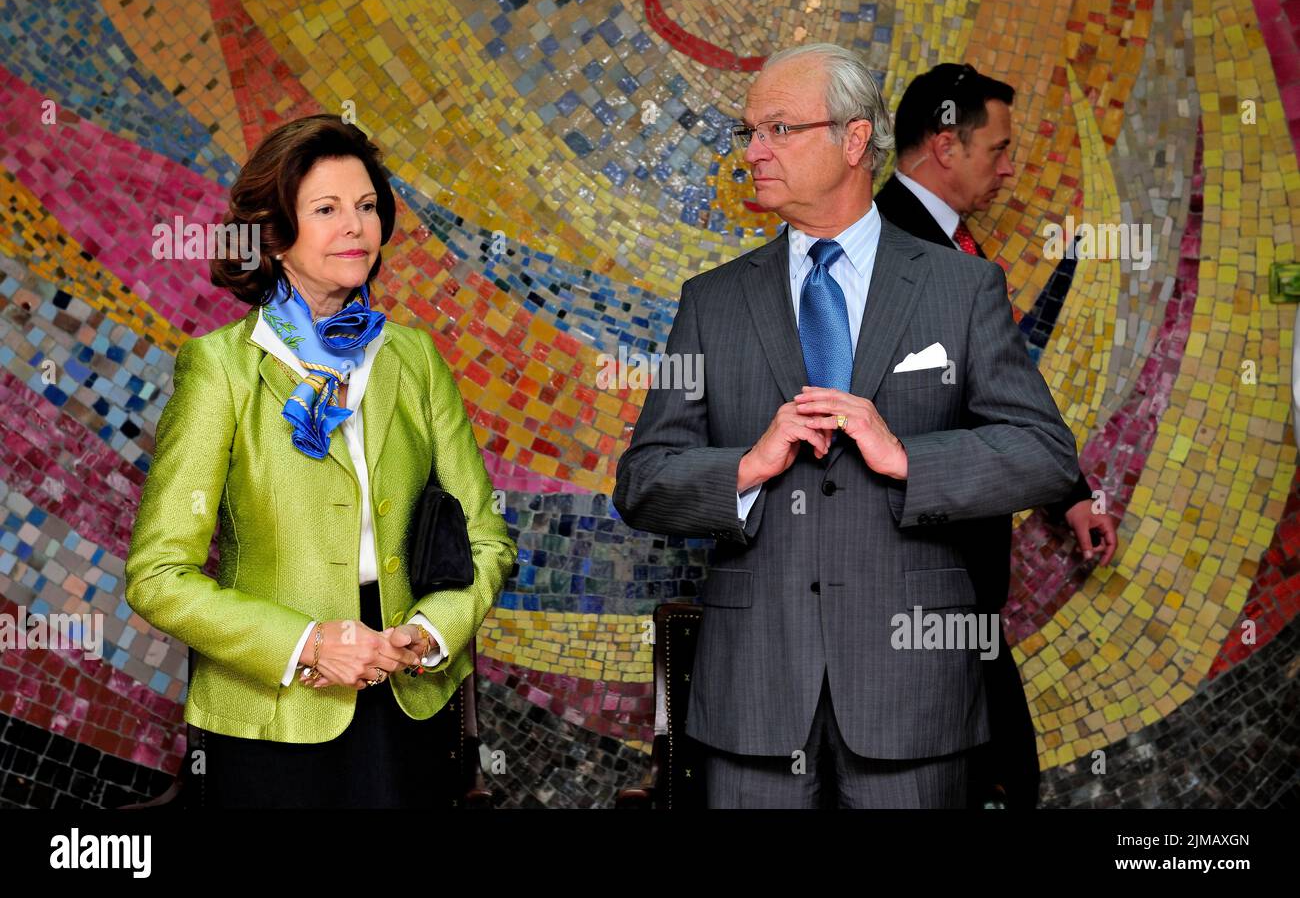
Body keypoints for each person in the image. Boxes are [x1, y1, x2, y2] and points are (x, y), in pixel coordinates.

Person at [613, 43, 1081, 808]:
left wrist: (907, 459)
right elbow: (643, 479)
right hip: (754, 700)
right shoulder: (712, 301)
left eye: (778, 129)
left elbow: (1045, 456)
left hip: (914, 700)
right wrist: (745, 468)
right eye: (749, 133)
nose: (754, 152)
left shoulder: (960, 289)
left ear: (855, 139)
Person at [125, 114, 516, 807]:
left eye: (367, 207)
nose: (356, 228)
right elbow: (158, 577)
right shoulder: (221, 368)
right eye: (327, 210)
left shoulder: (414, 357)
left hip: (408, 696)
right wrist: (309, 643)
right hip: (275, 715)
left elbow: (486, 539)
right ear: (274, 236)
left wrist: (429, 634)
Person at [875, 62, 1120, 806]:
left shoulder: (961, 253)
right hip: (912, 578)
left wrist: (1068, 492)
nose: (1011, 170)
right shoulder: (879, 242)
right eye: (999, 150)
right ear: (946, 145)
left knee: (997, 771)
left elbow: (999, 385)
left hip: (961, 580)